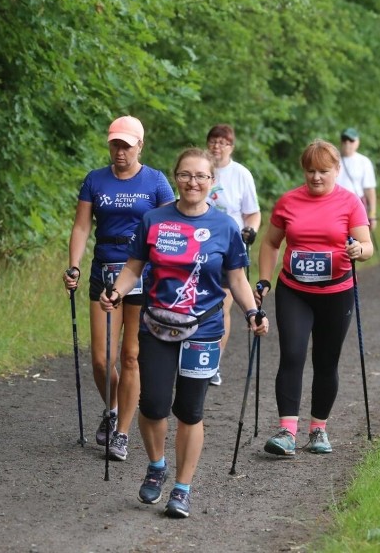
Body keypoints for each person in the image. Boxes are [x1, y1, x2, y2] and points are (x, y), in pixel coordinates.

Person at [99, 148, 268, 518]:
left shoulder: (225, 227)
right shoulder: (154, 219)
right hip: (157, 324)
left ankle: (182, 488)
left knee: (190, 411)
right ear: (176, 178)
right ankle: (157, 466)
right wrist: (117, 291)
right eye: (186, 175)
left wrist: (252, 311)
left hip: (204, 329)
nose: (193, 182)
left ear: (212, 182)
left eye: (201, 177)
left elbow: (237, 280)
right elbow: (133, 268)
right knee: (153, 405)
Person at [64, 116, 174, 461]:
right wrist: (75, 265)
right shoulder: (95, 180)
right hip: (104, 271)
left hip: (144, 273)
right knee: (101, 358)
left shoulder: (156, 182)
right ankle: (111, 408)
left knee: (130, 356)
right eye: (115, 144)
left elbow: (169, 226)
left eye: (127, 145)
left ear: (140, 145)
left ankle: (122, 433)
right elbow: (82, 227)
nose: (120, 151)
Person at [255, 139, 372, 457]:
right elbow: (270, 243)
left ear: (337, 170)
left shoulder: (350, 203)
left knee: (326, 361)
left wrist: (358, 250)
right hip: (294, 290)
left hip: (337, 293)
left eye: (323, 171)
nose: (316, 177)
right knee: (292, 355)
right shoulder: (288, 201)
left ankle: (318, 430)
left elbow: (367, 244)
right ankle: (286, 432)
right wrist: (264, 278)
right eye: (310, 171)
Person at [204, 124, 261, 386]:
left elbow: (253, 212)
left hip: (229, 247)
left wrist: (251, 229)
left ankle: (213, 361)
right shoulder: (200, 169)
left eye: (223, 142)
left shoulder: (240, 174)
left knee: (222, 305)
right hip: (200, 246)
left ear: (231, 146)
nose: (217, 146)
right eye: (213, 141)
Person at [336, 127, 378, 232]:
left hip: (356, 204)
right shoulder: (333, 160)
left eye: (351, 140)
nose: (347, 143)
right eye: (344, 140)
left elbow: (369, 190)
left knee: (356, 237)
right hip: (335, 203)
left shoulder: (364, 162)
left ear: (357, 142)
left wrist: (372, 213)